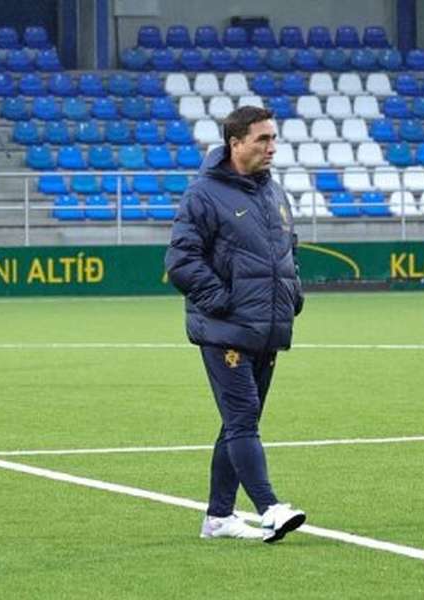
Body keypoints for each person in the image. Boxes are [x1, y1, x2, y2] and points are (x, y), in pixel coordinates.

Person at [165, 106, 306, 543]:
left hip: (266, 328)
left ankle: (219, 517)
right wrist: (220, 302)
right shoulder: (203, 194)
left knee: (237, 423)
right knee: (244, 419)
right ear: (236, 143)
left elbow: (289, 252)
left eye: (273, 138)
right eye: (262, 139)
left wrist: (292, 295)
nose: (272, 147)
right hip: (224, 329)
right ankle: (270, 507)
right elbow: (181, 261)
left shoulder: (274, 193)